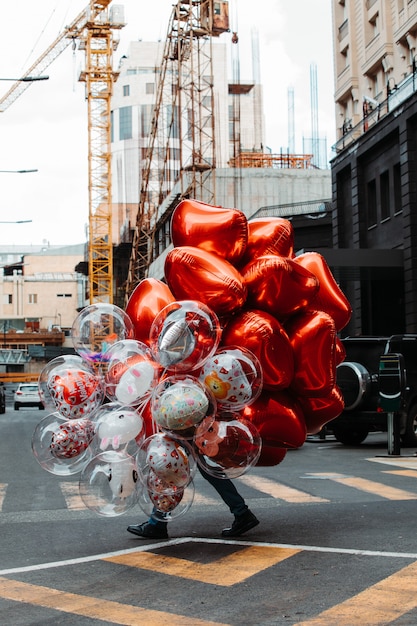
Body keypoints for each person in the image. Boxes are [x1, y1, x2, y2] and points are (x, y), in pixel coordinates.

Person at [127, 465, 259, 539]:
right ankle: (242, 513)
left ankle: (157, 524)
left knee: (169, 465)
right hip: (195, 423)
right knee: (209, 470)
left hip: (186, 422)